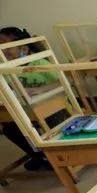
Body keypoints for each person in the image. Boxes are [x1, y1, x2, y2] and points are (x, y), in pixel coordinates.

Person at [0, 27, 64, 171]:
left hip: (53, 108)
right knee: (10, 129)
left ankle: (59, 156)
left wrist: (39, 90)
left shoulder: (40, 64)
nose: (3, 52)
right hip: (26, 111)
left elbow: (64, 82)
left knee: (53, 122)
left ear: (24, 49)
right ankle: (40, 156)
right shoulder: (5, 69)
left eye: (7, 47)